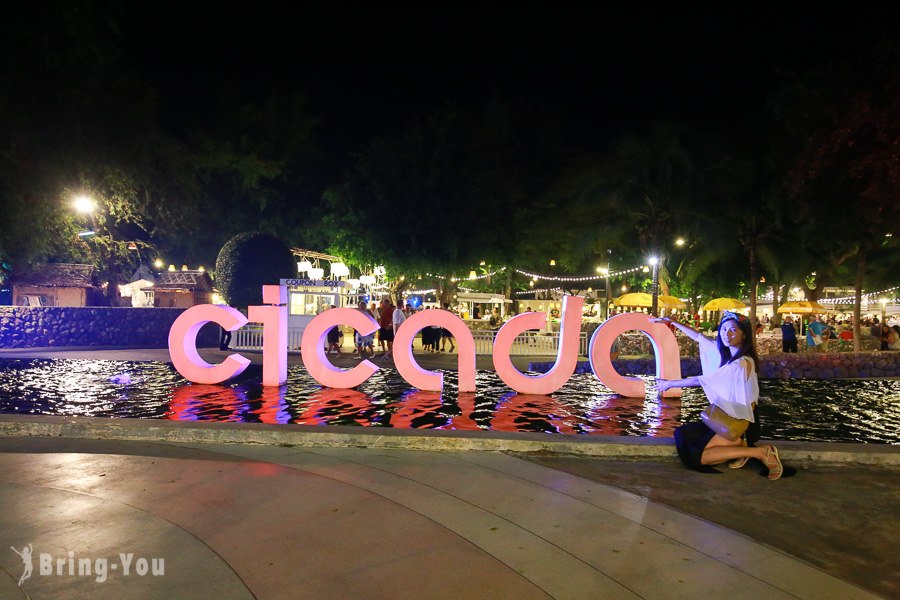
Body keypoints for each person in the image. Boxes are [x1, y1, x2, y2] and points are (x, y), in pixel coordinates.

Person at [651, 312, 785, 480]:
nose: (727, 334)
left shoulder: (741, 363)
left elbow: (702, 380)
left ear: (744, 334)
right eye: (724, 329)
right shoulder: (729, 354)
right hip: (727, 416)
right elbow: (699, 337)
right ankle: (741, 449)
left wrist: (669, 384)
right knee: (682, 434)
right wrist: (673, 322)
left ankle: (760, 452)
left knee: (698, 458)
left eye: (733, 330)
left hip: (739, 423)